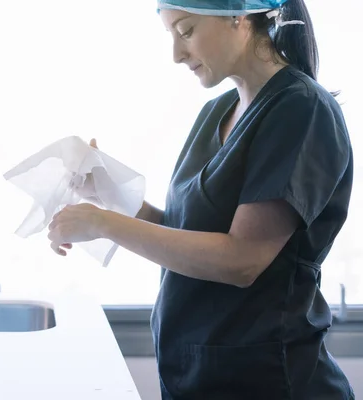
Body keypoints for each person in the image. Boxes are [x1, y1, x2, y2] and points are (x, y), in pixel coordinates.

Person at [47, 0, 355, 398]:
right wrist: (109, 195)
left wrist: (102, 224)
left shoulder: (301, 108)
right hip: (198, 377)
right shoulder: (218, 111)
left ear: (238, 16)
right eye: (171, 35)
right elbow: (187, 236)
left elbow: (241, 260)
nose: (176, 54)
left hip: (268, 381)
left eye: (187, 31)